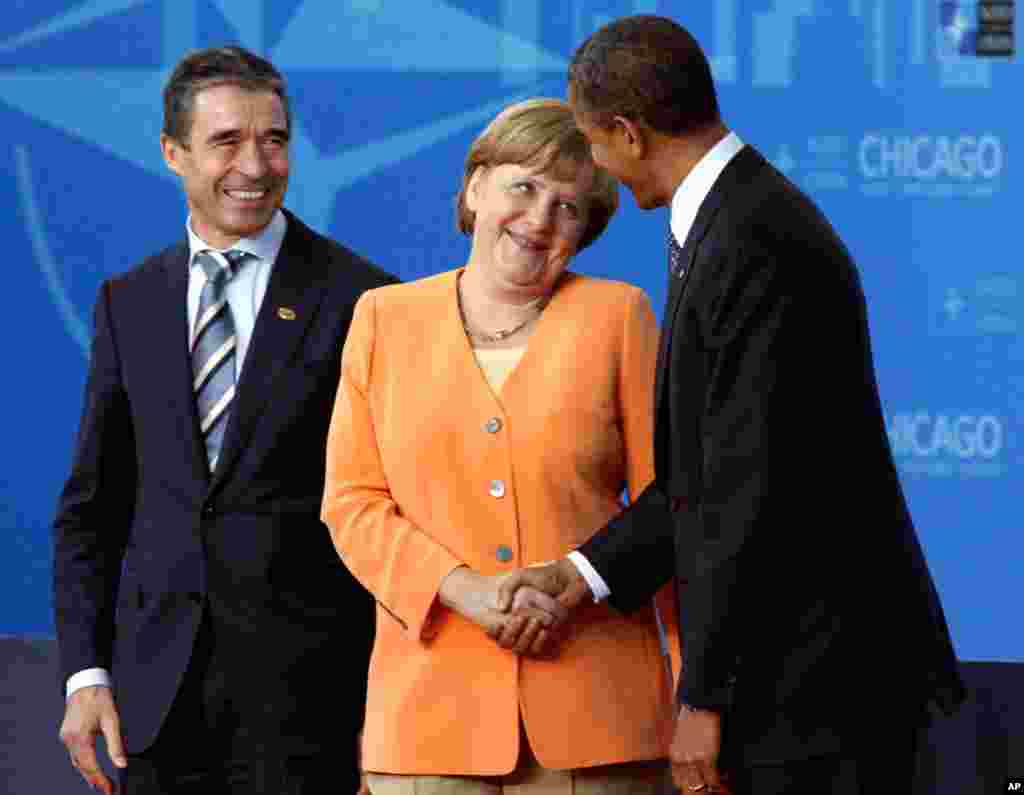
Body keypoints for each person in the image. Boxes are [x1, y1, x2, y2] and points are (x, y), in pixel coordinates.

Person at [496, 16, 965, 795]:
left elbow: (751, 491)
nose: (599, 165)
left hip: (820, 690)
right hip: (800, 680)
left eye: (595, 143)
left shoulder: (756, 241)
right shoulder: (735, 218)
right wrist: (582, 574)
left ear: (629, 133)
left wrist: (706, 695)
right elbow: (707, 473)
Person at [52, 46, 395, 794]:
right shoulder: (129, 300)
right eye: (227, 141)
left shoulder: (365, 300)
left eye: (274, 140)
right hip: (153, 705)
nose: (256, 165)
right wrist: (85, 673)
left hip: (308, 709)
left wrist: (390, 706)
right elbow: (92, 509)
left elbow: (395, 514)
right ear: (173, 153)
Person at [320, 97, 679, 795]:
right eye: (523, 187)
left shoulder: (619, 316)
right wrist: (469, 593)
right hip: (428, 722)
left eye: (568, 206)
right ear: (476, 188)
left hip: (600, 720)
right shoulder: (383, 319)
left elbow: (669, 510)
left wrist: (696, 693)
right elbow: (353, 504)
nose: (539, 219)